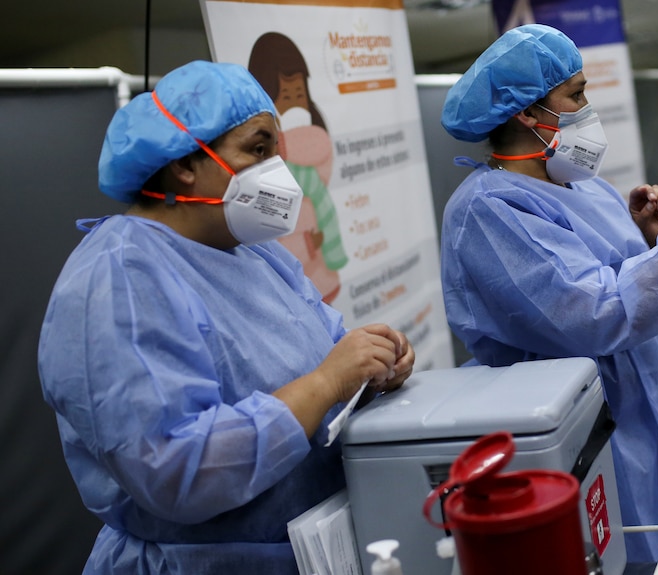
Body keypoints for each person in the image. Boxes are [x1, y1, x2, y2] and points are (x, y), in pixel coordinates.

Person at [38, 60, 415, 575]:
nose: (276, 173)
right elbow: (175, 471)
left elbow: (326, 351)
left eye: (275, 154)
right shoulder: (119, 278)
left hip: (307, 549)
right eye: (258, 150)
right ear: (185, 164)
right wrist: (328, 381)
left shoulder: (255, 254)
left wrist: (369, 369)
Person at [438, 25, 658, 575]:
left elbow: (619, 277)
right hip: (597, 428)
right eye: (575, 95)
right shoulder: (487, 211)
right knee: (634, 552)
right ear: (529, 113)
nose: (586, 107)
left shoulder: (576, 183)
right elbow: (603, 312)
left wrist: (650, 239)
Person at [248, 32, 348, 303]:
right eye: (283, 96)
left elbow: (317, 148)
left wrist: (287, 141)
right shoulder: (262, 167)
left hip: (321, 268)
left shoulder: (314, 144)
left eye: (298, 94)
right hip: (292, 270)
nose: (293, 104)